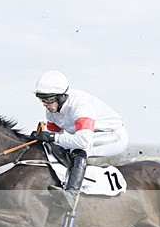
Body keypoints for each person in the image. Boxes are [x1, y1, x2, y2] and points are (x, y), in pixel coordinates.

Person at [29, 70, 129, 208]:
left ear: (63, 96)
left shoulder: (81, 106)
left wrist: (52, 137)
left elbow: (82, 141)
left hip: (112, 136)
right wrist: (43, 138)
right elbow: (56, 139)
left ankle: (70, 195)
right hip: (87, 134)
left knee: (78, 150)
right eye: (43, 100)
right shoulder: (51, 110)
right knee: (54, 148)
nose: (46, 104)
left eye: (50, 100)